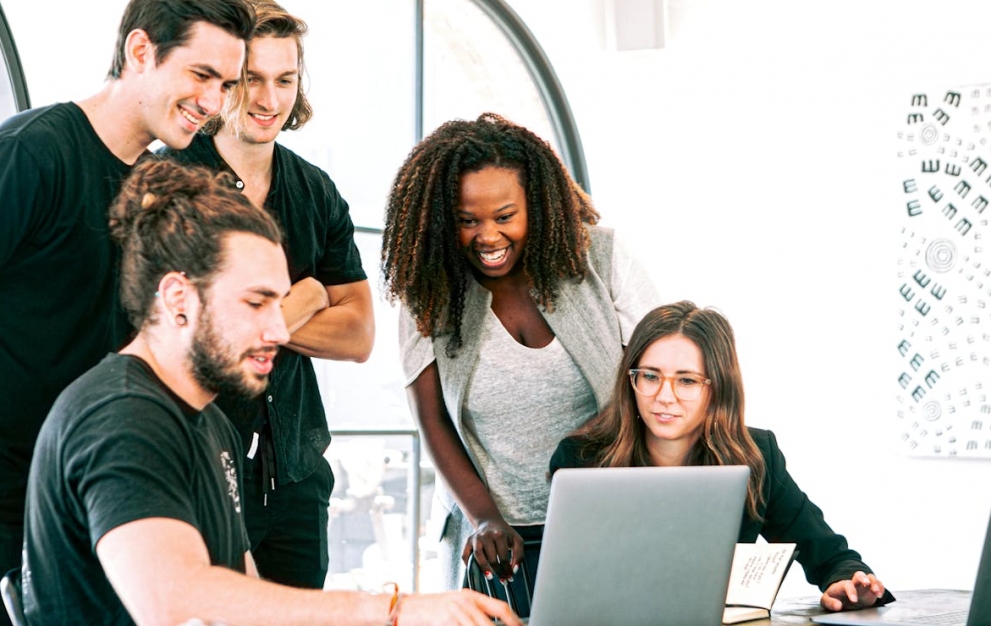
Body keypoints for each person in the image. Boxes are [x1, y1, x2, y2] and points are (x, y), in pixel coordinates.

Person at [20, 158, 521, 626]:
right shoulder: (122, 418)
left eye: (278, 304)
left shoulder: (210, 421)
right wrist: (391, 610)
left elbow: (242, 592)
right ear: (178, 297)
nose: (280, 332)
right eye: (256, 303)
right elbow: (176, 599)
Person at [0, 0, 255, 594]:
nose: (215, 104)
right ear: (141, 52)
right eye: (200, 75)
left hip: (104, 500)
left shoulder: (157, 187)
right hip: (13, 511)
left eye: (225, 84)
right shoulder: (32, 153)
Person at [381, 112, 659, 590]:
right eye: (468, 221)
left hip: (607, 516)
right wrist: (484, 518)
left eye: (505, 216)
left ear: (539, 205)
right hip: (494, 539)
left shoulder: (603, 259)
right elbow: (432, 419)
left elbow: (655, 380)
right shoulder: (427, 289)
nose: (488, 236)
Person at [161, 0, 374, 589]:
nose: (268, 99)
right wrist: (307, 296)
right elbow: (179, 333)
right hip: (198, 469)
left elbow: (359, 335)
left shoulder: (316, 191)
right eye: (252, 78)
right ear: (225, 79)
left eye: (285, 80)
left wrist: (248, 318)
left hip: (297, 476)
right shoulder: (169, 181)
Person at [549, 301, 896, 612]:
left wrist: (847, 581)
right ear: (631, 381)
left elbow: (828, 553)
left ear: (717, 388)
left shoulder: (756, 457)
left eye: (686, 381)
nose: (664, 396)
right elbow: (565, 582)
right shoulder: (582, 460)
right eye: (650, 376)